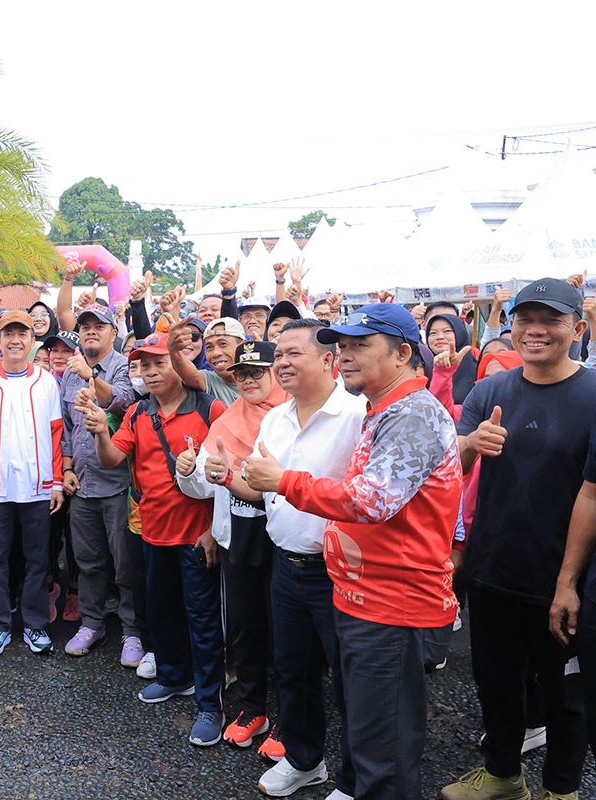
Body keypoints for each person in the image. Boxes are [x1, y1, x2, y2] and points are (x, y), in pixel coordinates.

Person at [241, 304, 460, 800]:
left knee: (383, 748)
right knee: (367, 729)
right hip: (360, 593)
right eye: (342, 345)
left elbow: (373, 499)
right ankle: (313, 763)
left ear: (403, 353)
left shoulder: (412, 412)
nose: (346, 355)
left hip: (391, 602)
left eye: (360, 344)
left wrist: (284, 482)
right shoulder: (388, 408)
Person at [447, 279, 593, 800]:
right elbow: (451, 470)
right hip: (492, 569)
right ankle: (503, 776)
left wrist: (569, 582)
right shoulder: (490, 391)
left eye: (550, 320)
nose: (535, 330)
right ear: (509, 325)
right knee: (495, 682)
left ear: (577, 329)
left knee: (565, 693)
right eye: (524, 318)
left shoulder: (593, 395)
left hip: (563, 576)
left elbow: (593, 496)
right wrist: (470, 444)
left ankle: (561, 789)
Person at [216, 319, 364, 798]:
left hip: (339, 572)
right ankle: (304, 759)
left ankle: (356, 776)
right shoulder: (275, 420)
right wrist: (222, 477)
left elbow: (363, 497)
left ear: (328, 359)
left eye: (292, 353)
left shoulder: (359, 415)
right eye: (278, 354)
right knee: (293, 670)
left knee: (349, 679)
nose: (280, 362)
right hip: (286, 564)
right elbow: (261, 492)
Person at [81, 331, 227, 746]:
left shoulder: (207, 406)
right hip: (153, 532)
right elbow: (112, 458)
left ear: (176, 363)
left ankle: (209, 705)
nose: (150, 371)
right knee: (161, 613)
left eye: (158, 362)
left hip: (197, 536)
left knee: (201, 620)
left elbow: (223, 473)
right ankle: (172, 676)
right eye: (142, 365)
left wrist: (212, 529)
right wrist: (98, 430)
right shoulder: (139, 413)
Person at [182, 340, 289, 753]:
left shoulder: (291, 418)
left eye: (256, 372)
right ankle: (252, 708)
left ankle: (287, 717)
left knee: (285, 631)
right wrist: (189, 469)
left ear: (274, 374)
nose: (247, 380)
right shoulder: (225, 420)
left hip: (281, 540)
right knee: (244, 625)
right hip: (236, 538)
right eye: (241, 373)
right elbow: (202, 483)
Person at [0, 310, 64, 657]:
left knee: (37, 558)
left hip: (37, 485)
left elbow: (55, 434)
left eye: (22, 333)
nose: (15, 340)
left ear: (32, 341)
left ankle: (35, 625)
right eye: (8, 334)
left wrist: (57, 482)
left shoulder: (46, 382)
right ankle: (0, 625)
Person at [58, 305, 141, 666]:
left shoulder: (123, 365)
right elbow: (67, 427)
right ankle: (92, 623)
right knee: (88, 562)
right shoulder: (70, 373)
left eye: (98, 326)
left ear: (113, 332)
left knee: (125, 565)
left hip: (117, 484)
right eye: (85, 327)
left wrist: (91, 374)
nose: (91, 332)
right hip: (83, 485)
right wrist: (67, 468)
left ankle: (133, 631)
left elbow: (122, 401)